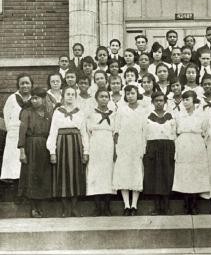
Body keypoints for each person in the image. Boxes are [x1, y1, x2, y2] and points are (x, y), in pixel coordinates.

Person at [47, 86, 88, 217]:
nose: (70, 96)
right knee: (63, 176)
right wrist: (52, 151)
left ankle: (74, 208)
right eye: (67, 94)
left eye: (72, 94)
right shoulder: (57, 112)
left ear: (75, 96)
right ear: (63, 96)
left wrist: (86, 151)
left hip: (76, 146)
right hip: (62, 146)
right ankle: (65, 208)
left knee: (76, 175)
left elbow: (84, 133)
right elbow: (52, 132)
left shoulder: (80, 112)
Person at [173, 90, 210, 215]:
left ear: (194, 100)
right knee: (184, 172)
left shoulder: (202, 115)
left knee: (196, 173)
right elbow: (175, 131)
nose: (185, 102)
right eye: (183, 100)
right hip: (183, 143)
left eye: (187, 99)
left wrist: (200, 143)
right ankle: (186, 203)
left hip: (197, 143)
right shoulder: (178, 114)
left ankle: (194, 204)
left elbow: (206, 131)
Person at [18, 87, 52, 218]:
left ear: (44, 99)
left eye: (37, 98)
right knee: (31, 176)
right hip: (31, 147)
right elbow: (22, 133)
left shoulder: (49, 115)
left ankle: (40, 207)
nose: (34, 101)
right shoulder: (27, 112)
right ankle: (33, 208)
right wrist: (22, 151)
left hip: (44, 148)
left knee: (43, 176)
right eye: (32, 98)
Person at [113, 85, 146, 216]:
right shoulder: (121, 110)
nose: (130, 96)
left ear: (137, 94)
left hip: (137, 144)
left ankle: (134, 205)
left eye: (132, 93)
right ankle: (126, 205)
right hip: (124, 145)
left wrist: (143, 147)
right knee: (124, 173)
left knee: (136, 172)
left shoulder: (143, 110)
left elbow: (144, 130)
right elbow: (116, 130)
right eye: (128, 93)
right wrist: (117, 147)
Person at [143, 91, 176, 215]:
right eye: (156, 101)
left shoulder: (170, 116)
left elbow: (174, 134)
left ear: (165, 102)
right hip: (152, 147)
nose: (159, 103)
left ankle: (166, 206)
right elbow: (144, 134)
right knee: (154, 177)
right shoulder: (147, 116)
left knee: (167, 175)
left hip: (167, 147)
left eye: (161, 100)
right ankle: (157, 207)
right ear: (152, 102)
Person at [86, 88, 116, 216]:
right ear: (96, 99)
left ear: (109, 99)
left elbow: (116, 133)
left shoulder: (114, 114)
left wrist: (115, 149)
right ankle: (97, 207)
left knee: (108, 174)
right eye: (101, 96)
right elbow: (87, 132)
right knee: (95, 174)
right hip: (95, 145)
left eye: (106, 97)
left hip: (109, 145)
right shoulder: (90, 114)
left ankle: (107, 207)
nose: (104, 99)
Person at [1, 74, 32, 183]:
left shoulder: (33, 99)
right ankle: (14, 185)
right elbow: (6, 115)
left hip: (28, 134)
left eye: (27, 83)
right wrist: (12, 129)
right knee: (14, 162)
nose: (25, 85)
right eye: (22, 83)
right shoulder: (12, 98)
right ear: (18, 85)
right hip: (14, 135)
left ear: (31, 85)